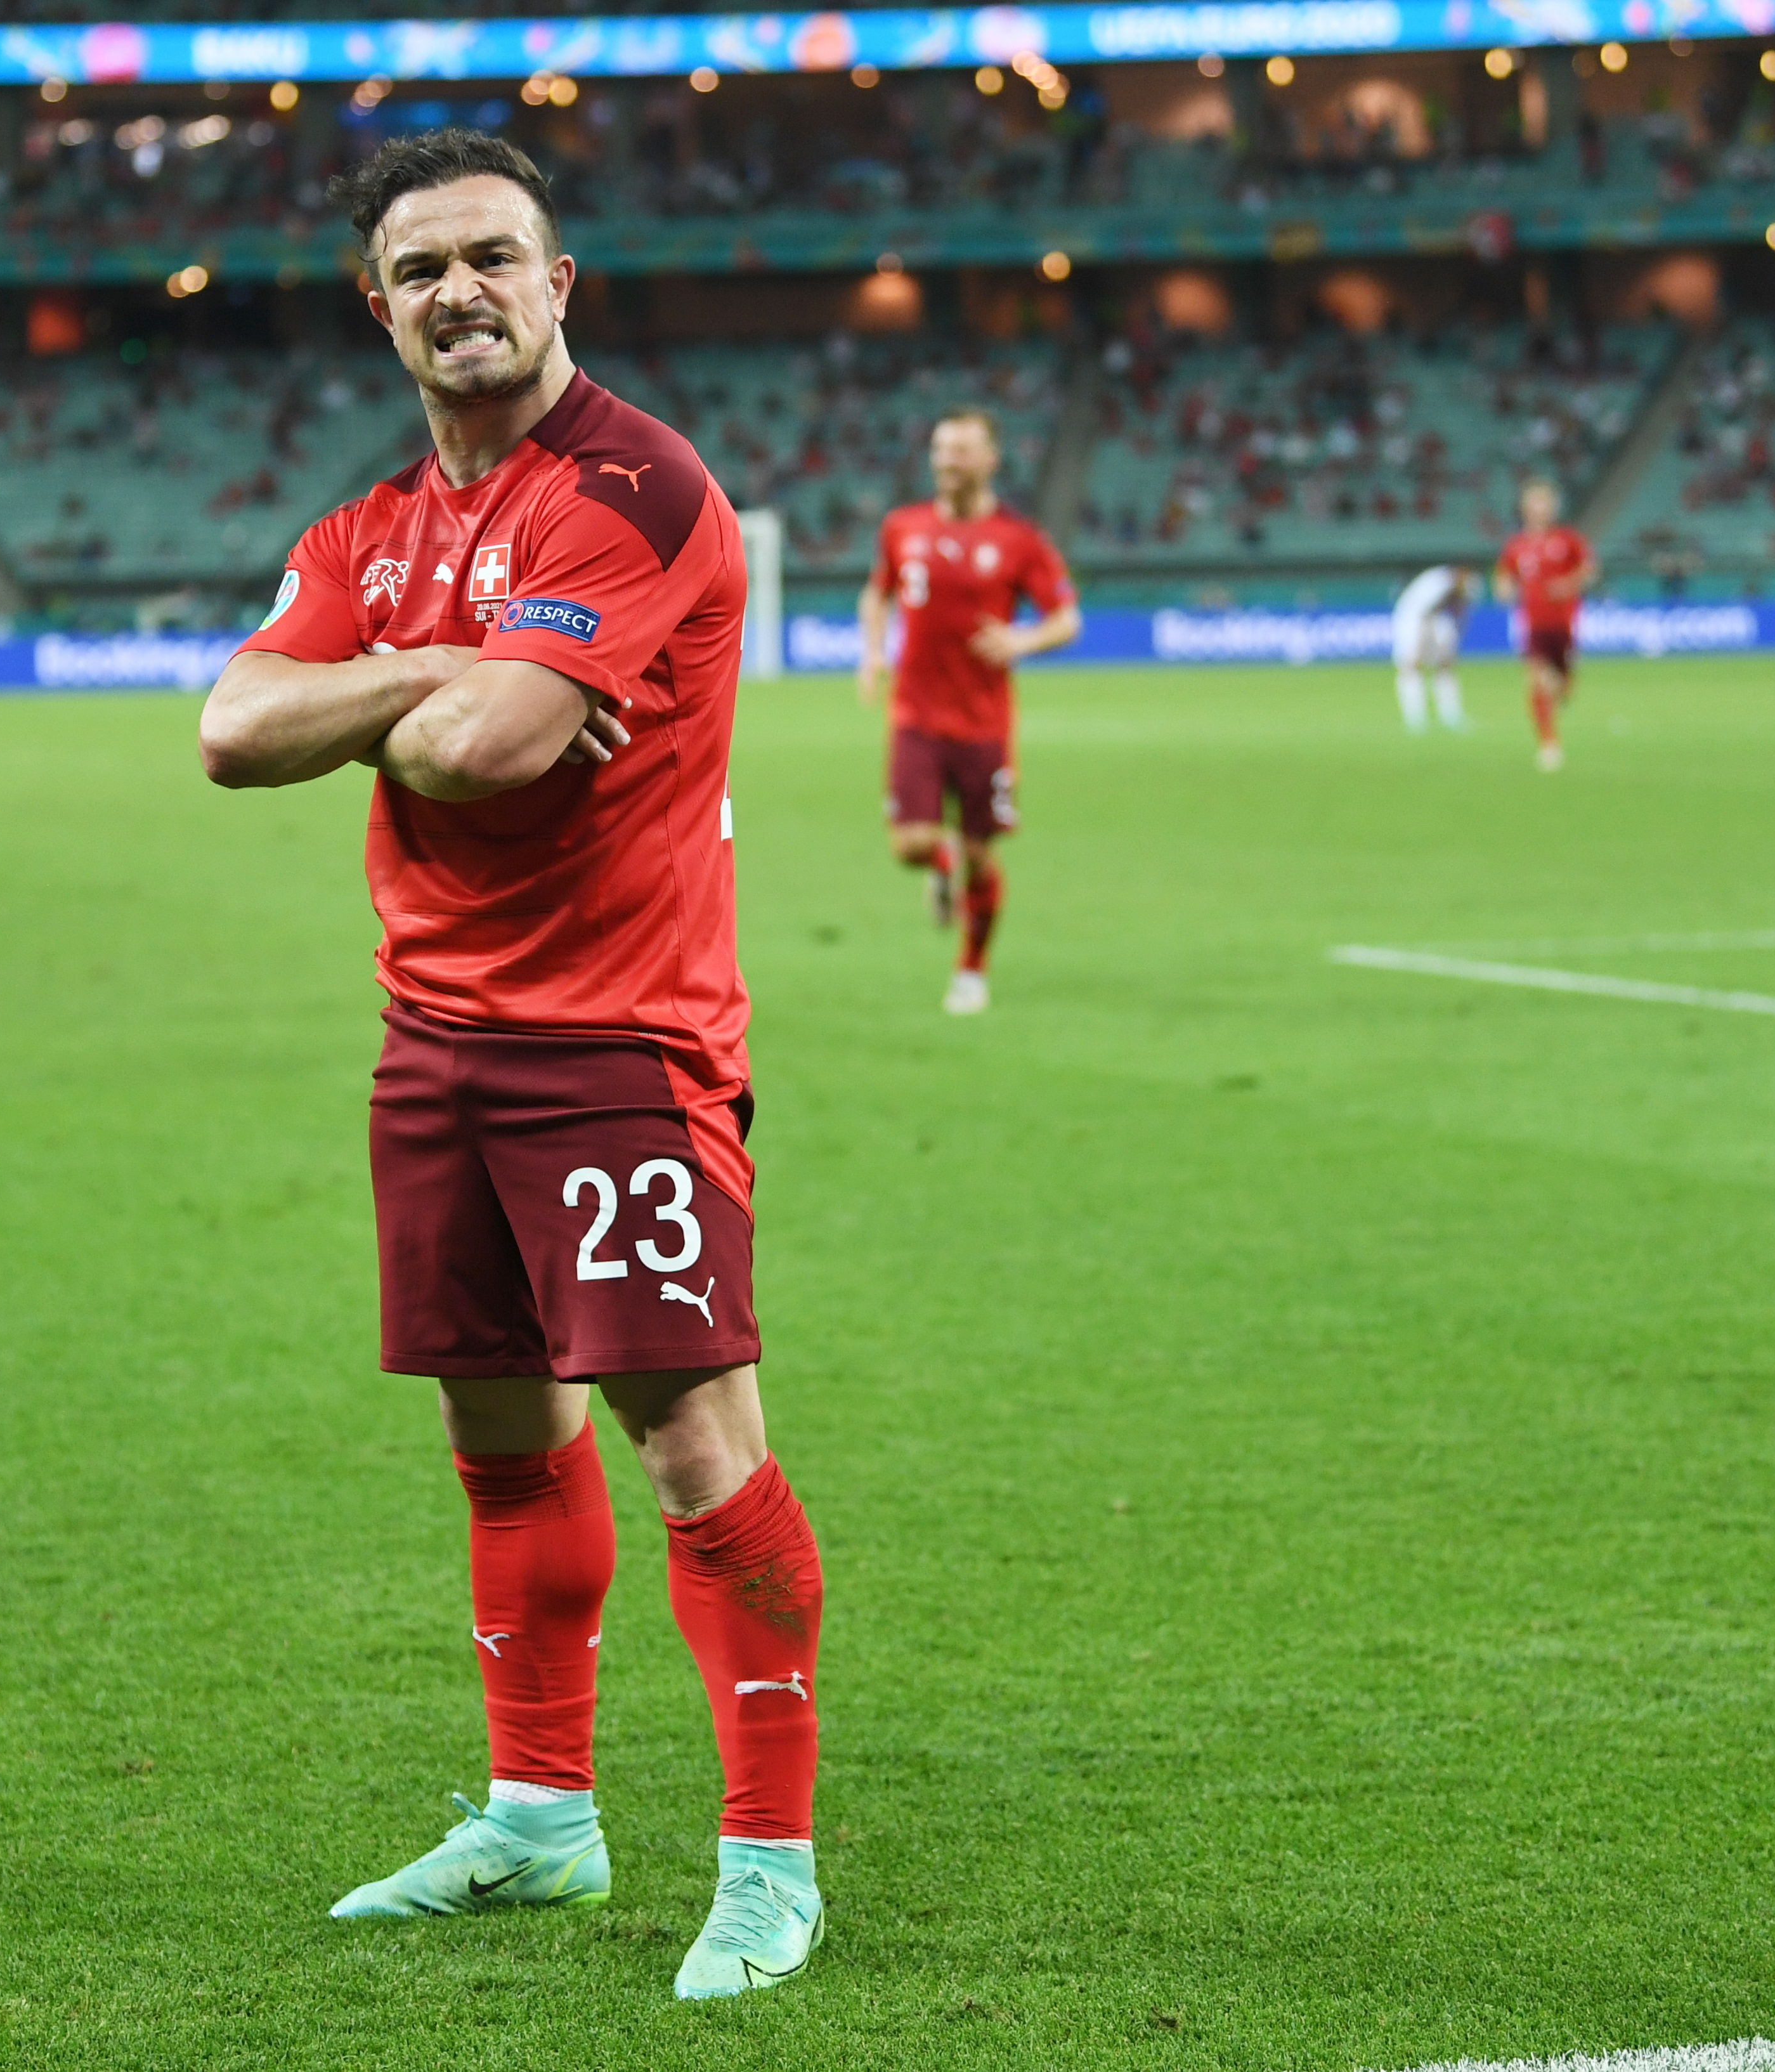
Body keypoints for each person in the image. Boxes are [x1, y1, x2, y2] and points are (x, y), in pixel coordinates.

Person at [194, 130, 826, 2000]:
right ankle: (541, 1819)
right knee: (496, 1437)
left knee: (696, 1448)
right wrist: (420, 667)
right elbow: (233, 729)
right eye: (424, 268)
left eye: (496, 256)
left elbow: (485, 751)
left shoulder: (628, 485)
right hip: (435, 1046)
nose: (461, 291)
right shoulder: (371, 531)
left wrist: (388, 687)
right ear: (376, 305)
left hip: (619, 1047)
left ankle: (771, 1867)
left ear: (562, 283)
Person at [855, 410, 1083, 1015]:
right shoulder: (903, 527)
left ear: (991, 460)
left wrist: (1021, 641)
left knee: (985, 856)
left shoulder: (1019, 540)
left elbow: (1066, 618)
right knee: (910, 845)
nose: (947, 461)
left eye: (961, 451)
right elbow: (877, 592)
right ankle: (941, 867)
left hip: (984, 726)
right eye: (941, 449)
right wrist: (874, 652)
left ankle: (971, 969)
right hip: (916, 718)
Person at [1492, 480, 1597, 772]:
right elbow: (1503, 575)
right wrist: (1503, 589)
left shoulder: (1568, 540)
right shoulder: (1517, 546)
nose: (1540, 508)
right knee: (1537, 678)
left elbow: (1589, 570)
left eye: (1545, 502)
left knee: (1562, 684)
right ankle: (1549, 744)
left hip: (1565, 623)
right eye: (1535, 501)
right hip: (1533, 624)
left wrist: (1569, 584)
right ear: (1525, 507)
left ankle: (1563, 687)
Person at [1389, 563, 1472, 733]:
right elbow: (1426, 611)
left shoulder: (1468, 585)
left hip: (1437, 618)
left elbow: (1461, 612)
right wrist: (1426, 643)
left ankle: (1451, 715)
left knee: (1446, 665)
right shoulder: (1437, 582)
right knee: (1412, 665)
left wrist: (1450, 642)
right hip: (1414, 617)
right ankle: (1416, 718)